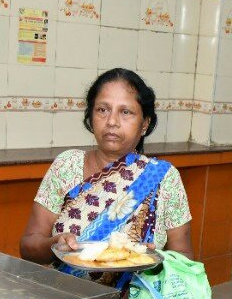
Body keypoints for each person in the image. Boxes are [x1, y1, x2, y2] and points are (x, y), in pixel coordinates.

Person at [20, 68, 193, 287]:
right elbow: (28, 246)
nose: (112, 121)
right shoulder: (66, 166)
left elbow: (184, 258)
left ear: (145, 123)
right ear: (91, 117)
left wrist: (155, 261)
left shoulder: (164, 177)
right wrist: (53, 246)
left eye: (126, 112)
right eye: (102, 110)